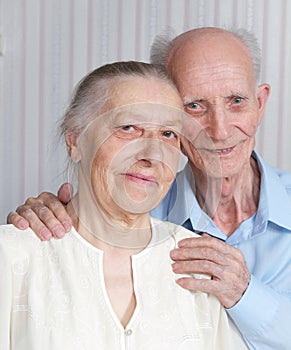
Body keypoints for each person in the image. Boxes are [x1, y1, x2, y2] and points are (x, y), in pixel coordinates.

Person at [7, 27, 291, 349]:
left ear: (260, 102)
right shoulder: (126, 206)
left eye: (236, 101)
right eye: (194, 106)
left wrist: (245, 294)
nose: (220, 130)